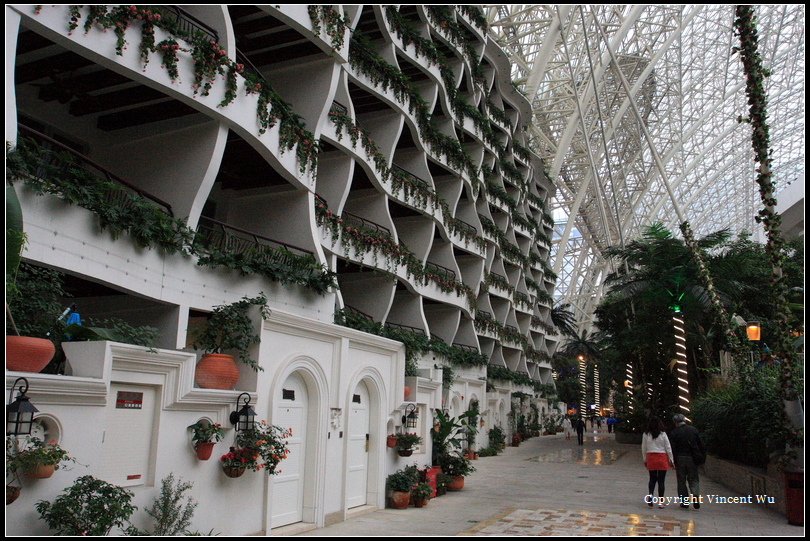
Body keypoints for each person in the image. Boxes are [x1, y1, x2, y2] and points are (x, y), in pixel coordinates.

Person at [669, 413, 705, 510]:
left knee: (681, 481)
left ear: (675, 422)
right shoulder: (693, 430)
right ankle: (696, 497)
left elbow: (672, 448)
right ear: (684, 420)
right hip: (692, 458)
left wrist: (673, 460)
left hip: (680, 458)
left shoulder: (674, 433)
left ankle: (684, 502)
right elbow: (701, 445)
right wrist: (702, 458)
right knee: (694, 479)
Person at [642, 416, 674, 509]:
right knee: (661, 480)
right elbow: (668, 447)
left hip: (651, 457)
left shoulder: (646, 434)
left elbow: (643, 448)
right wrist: (671, 459)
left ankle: (650, 498)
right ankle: (660, 502)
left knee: (652, 479)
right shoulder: (663, 434)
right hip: (662, 458)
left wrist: (645, 459)